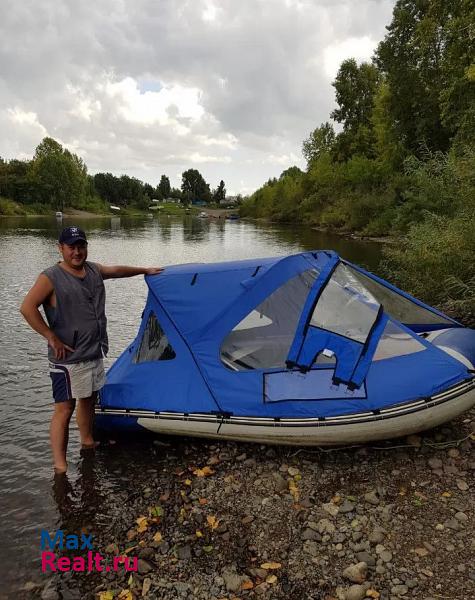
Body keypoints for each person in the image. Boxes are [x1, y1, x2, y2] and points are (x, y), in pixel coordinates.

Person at [20, 226, 163, 474]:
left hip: (93, 352)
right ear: (60, 248)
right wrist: (50, 336)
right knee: (64, 409)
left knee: (87, 400)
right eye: (71, 247)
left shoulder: (93, 270)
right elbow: (27, 308)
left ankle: (86, 441)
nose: (77, 252)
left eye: (81, 246)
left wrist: (144, 270)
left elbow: (116, 270)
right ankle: (60, 466)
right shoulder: (51, 277)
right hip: (68, 358)